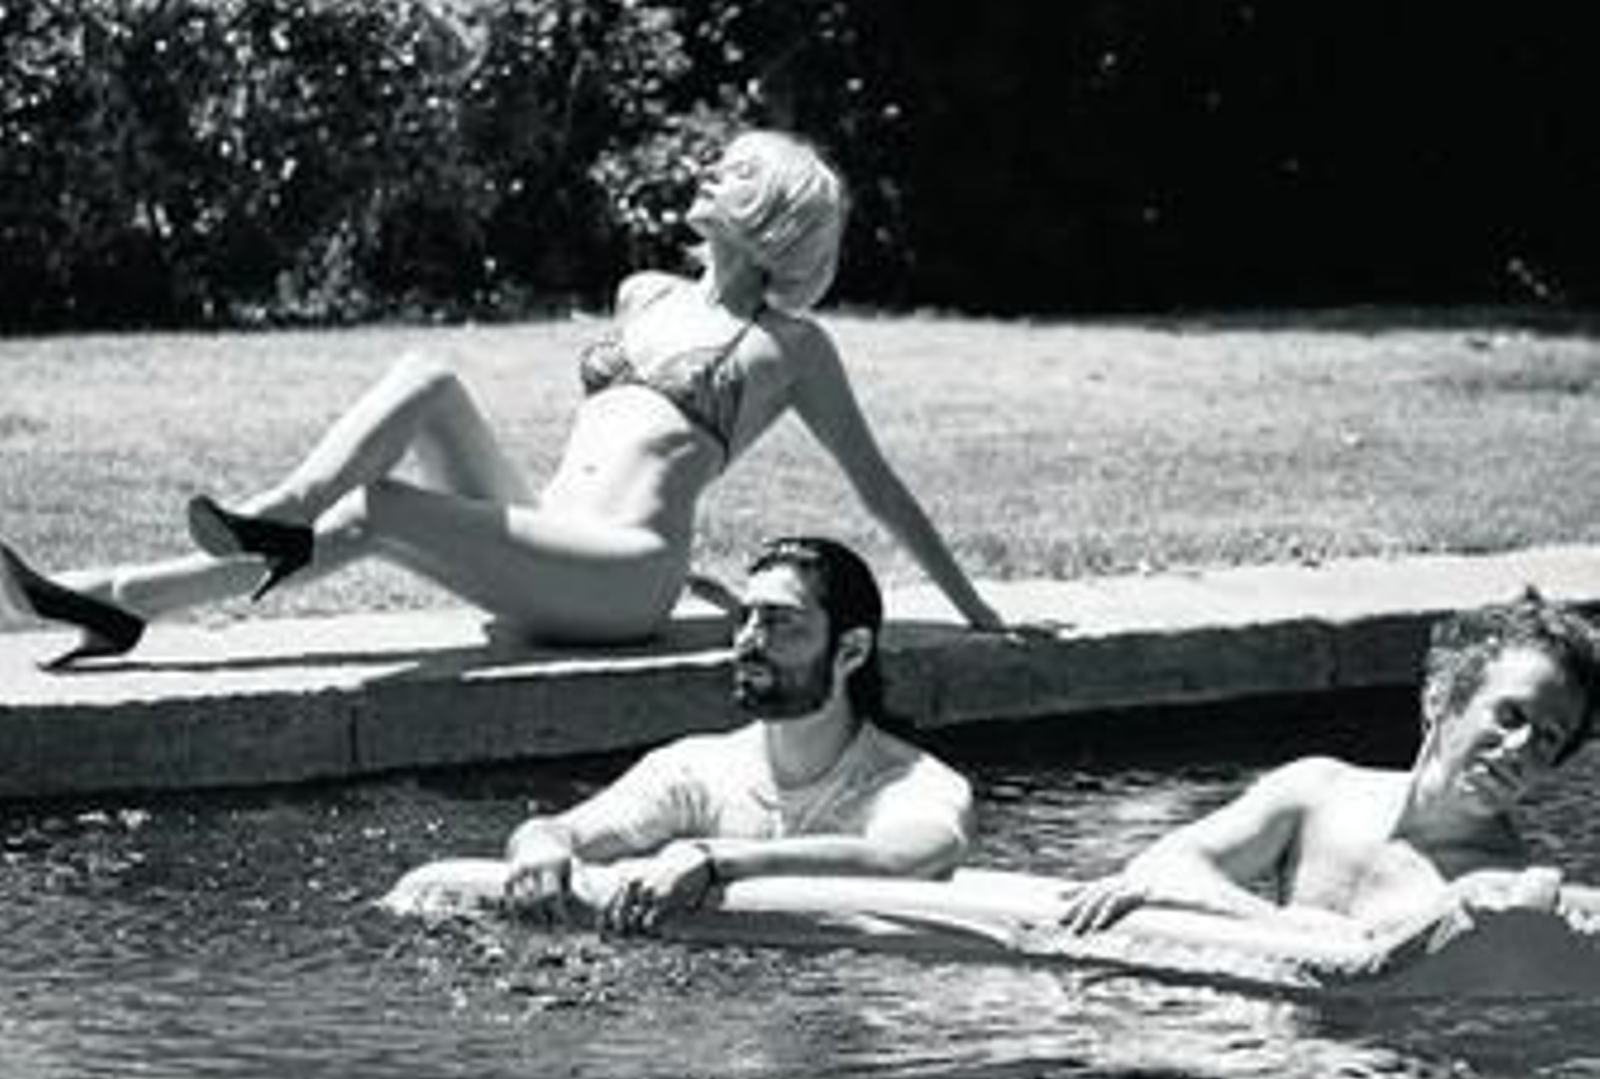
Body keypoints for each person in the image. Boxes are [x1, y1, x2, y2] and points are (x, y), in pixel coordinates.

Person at [0, 129, 1003, 670]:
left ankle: (241, 538)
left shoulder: (792, 348)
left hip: (622, 577)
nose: (708, 171)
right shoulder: (644, 293)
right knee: (427, 378)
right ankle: (130, 595)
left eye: (732, 172)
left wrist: (981, 616)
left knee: (380, 507)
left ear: (767, 214)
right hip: (550, 532)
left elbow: (877, 487)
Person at [386, 536, 975, 935]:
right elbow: (563, 830)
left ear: (851, 650)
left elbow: (901, 857)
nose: (748, 640)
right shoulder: (698, 770)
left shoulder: (914, 782)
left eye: (778, 621)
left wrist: (711, 860)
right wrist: (539, 847)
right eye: (744, 618)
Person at [1056, 590, 1600, 939]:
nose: (1522, 747)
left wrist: (1238, 911)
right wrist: (1286, 925)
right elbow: (1166, 865)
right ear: (1441, 698)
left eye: (1548, 738)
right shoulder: (1318, 792)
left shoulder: (1498, 888)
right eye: (1510, 715)